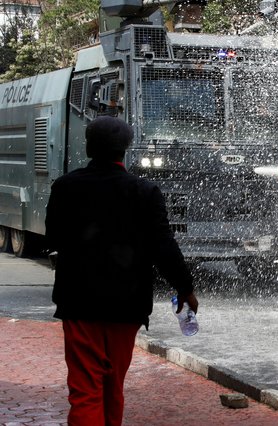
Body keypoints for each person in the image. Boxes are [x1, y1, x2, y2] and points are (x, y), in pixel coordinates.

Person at [45, 116, 199, 426]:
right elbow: (164, 247)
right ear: (125, 149)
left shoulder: (65, 186)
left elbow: (53, 237)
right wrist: (185, 289)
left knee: (85, 389)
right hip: (126, 305)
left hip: (79, 303)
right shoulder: (145, 191)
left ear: (88, 147)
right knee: (113, 386)